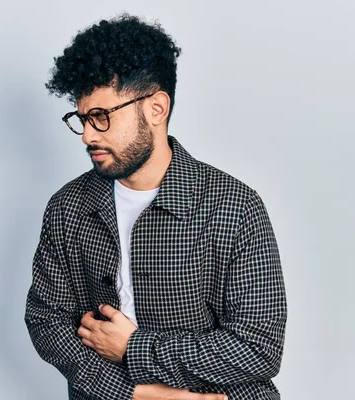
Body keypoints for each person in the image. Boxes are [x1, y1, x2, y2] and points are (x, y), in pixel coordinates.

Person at [25, 14, 287, 400]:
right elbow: (46, 321)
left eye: (101, 117)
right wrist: (134, 393)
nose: (86, 135)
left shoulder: (234, 206)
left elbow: (259, 349)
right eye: (81, 118)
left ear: (156, 108)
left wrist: (135, 348)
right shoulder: (68, 207)